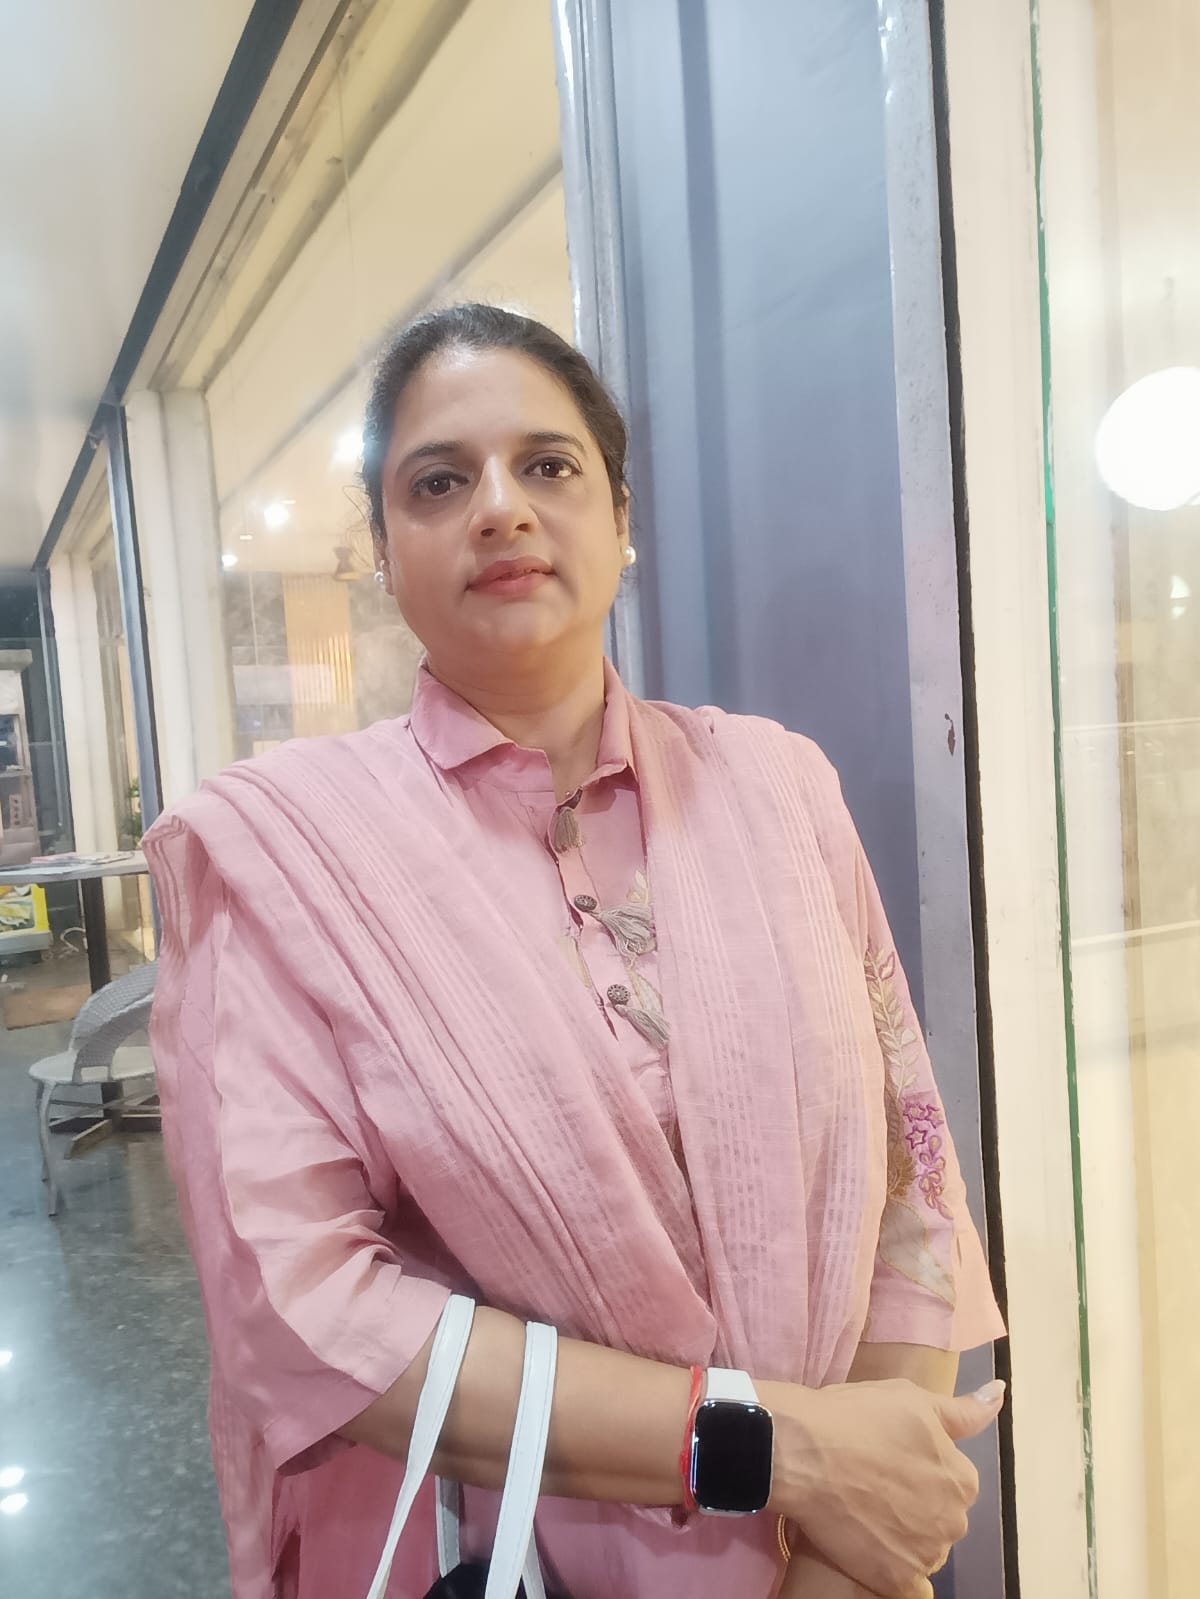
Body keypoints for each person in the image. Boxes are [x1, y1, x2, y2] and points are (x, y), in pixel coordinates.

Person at [145, 303, 1006, 1599]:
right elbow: (304, 1306)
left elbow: (913, 1176)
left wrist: (840, 1552)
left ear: (621, 518)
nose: (501, 508)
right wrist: (785, 1454)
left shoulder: (779, 786)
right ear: (381, 549)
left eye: (547, 465)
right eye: (439, 483)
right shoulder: (283, 858)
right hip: (541, 1562)